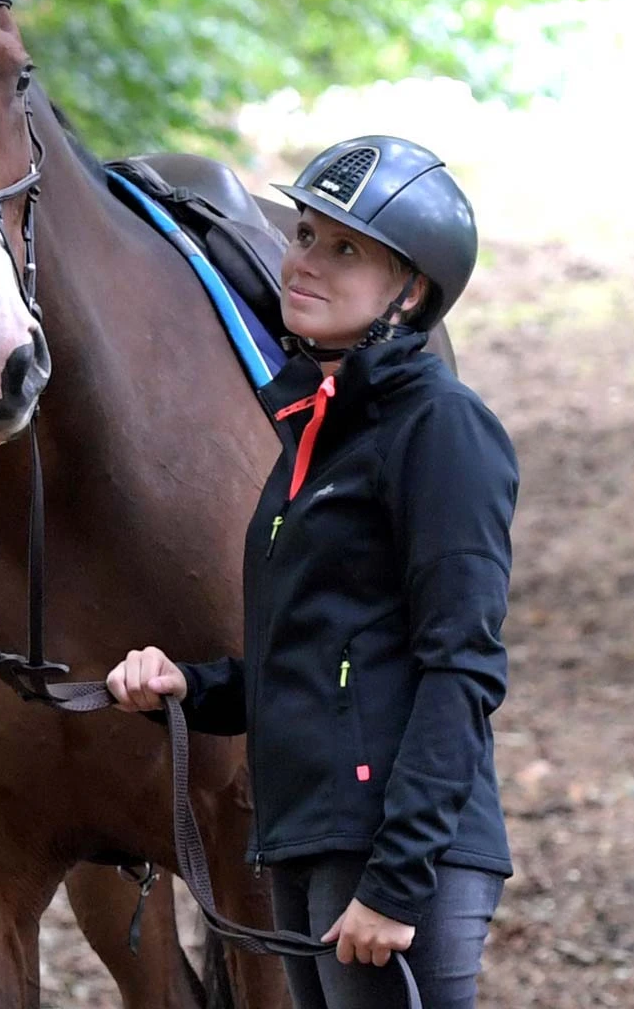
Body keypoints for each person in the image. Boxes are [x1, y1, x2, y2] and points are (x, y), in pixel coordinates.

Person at [106, 136, 519, 1009]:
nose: (304, 262)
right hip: (303, 840)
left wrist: (397, 882)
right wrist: (194, 686)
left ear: (410, 292)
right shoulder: (314, 431)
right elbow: (321, 664)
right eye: (303, 235)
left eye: (345, 250)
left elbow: (463, 666)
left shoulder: (440, 427)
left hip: (391, 854)